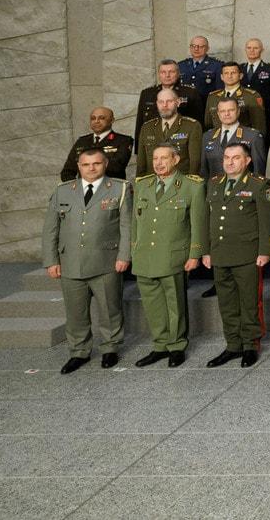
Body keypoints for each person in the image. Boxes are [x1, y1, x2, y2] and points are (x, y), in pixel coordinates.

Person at [43, 149, 131, 373]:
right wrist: (51, 260)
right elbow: (50, 230)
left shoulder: (120, 188)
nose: (91, 168)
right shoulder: (63, 191)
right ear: (78, 166)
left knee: (110, 309)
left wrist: (124, 256)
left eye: (96, 164)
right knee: (75, 313)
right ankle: (79, 352)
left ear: (105, 163)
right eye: (86, 164)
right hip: (71, 262)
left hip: (106, 261)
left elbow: (127, 226)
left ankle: (110, 349)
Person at [131, 145, 205, 368]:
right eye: (155, 158)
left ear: (176, 159)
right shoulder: (143, 185)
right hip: (145, 255)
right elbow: (136, 223)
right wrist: (134, 250)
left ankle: (176, 346)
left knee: (175, 304)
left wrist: (195, 253)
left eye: (164, 158)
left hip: (174, 255)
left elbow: (197, 224)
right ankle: (160, 345)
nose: (159, 163)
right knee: (153, 304)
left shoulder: (192, 186)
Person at [201, 142, 270, 368]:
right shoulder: (214, 184)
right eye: (227, 158)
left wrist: (264, 252)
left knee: (250, 302)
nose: (230, 162)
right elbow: (206, 220)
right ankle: (233, 344)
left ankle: (250, 345)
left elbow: (265, 222)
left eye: (236, 158)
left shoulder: (259, 185)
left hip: (247, 254)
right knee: (227, 303)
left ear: (247, 160)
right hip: (220, 254)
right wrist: (206, 251)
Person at [136, 87, 203, 176]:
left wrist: (190, 187)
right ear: (157, 104)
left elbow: (195, 163)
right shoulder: (147, 127)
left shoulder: (192, 126)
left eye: (169, 101)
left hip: (180, 185)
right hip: (153, 185)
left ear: (178, 102)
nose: (164, 105)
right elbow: (141, 163)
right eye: (161, 102)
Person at [134, 59, 203, 139]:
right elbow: (140, 124)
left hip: (181, 141)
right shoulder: (147, 94)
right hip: (153, 141)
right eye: (163, 72)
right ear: (159, 74)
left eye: (171, 72)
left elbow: (199, 123)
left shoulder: (191, 93)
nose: (167, 75)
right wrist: (138, 150)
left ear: (178, 74)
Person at [201, 96, 267, 179]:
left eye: (231, 110)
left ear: (238, 111)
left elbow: (259, 171)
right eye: (222, 111)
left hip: (243, 190)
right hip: (215, 189)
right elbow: (204, 171)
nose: (227, 114)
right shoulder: (207, 136)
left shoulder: (253, 136)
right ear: (218, 113)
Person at [60, 107, 133, 180]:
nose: (96, 121)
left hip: (111, 188)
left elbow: (117, 167)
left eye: (101, 118)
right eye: (93, 118)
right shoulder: (82, 141)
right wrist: (76, 188)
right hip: (84, 189)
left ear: (112, 120)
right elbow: (67, 171)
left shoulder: (123, 140)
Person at [204, 61, 268, 131]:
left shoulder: (251, 96)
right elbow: (208, 125)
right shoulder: (212, 97)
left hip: (243, 140)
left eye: (233, 73)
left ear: (240, 76)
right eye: (226, 73)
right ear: (222, 77)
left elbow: (259, 126)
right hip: (218, 140)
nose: (229, 76)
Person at [239, 37, 270, 123]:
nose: (252, 50)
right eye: (249, 48)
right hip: (241, 115)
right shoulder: (239, 69)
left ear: (262, 50)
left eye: (255, 48)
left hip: (263, 116)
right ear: (245, 50)